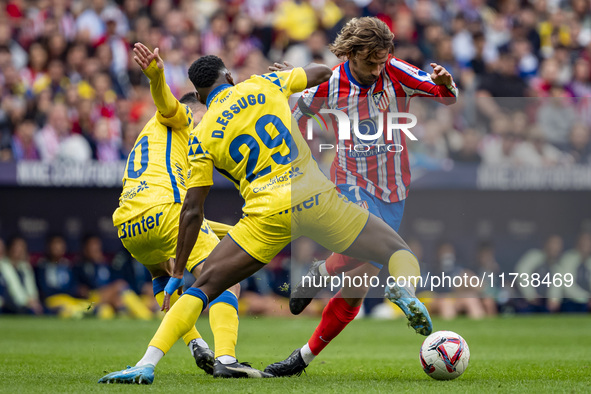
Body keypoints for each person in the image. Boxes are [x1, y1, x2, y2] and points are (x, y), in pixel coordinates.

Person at [99, 51, 431, 383]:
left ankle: (147, 363)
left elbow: (192, 210)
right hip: (316, 198)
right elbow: (321, 74)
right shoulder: (264, 83)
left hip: (266, 214)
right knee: (397, 251)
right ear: (228, 76)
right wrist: (294, 73)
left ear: (198, 95)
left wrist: (176, 271)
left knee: (202, 287)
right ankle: (403, 288)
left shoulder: (200, 135)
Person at [268, 16, 457, 376]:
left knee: (358, 282)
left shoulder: (396, 71)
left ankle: (303, 353)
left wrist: (448, 86)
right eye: (370, 61)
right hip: (350, 180)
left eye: (381, 60)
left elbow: (442, 96)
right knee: (366, 248)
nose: (377, 68)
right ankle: (392, 287)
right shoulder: (330, 82)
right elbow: (298, 112)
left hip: (394, 188)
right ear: (352, 54)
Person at [103, 43, 245, 380]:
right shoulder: (180, 117)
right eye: (206, 113)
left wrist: (237, 232)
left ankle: (195, 343)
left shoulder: (159, 139)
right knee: (226, 277)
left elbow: (195, 223)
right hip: (163, 209)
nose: (209, 120)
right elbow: (167, 102)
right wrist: (157, 76)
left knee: (165, 279)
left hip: (130, 227)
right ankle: (226, 357)